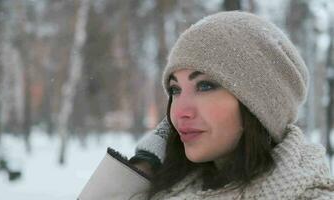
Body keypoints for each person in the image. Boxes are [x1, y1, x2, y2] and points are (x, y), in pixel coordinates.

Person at [78, 11, 334, 200]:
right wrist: (139, 170)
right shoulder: (166, 189)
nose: (179, 112)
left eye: (205, 86)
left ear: (259, 105)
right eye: (176, 90)